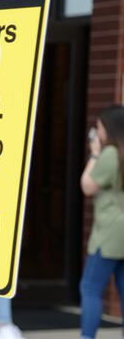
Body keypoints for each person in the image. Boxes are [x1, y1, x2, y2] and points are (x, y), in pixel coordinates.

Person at [79, 106, 124, 339]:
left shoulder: (110, 155)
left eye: (99, 127)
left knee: (90, 288)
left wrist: (95, 154)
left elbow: (88, 186)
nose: (97, 132)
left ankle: (87, 337)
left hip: (108, 234)